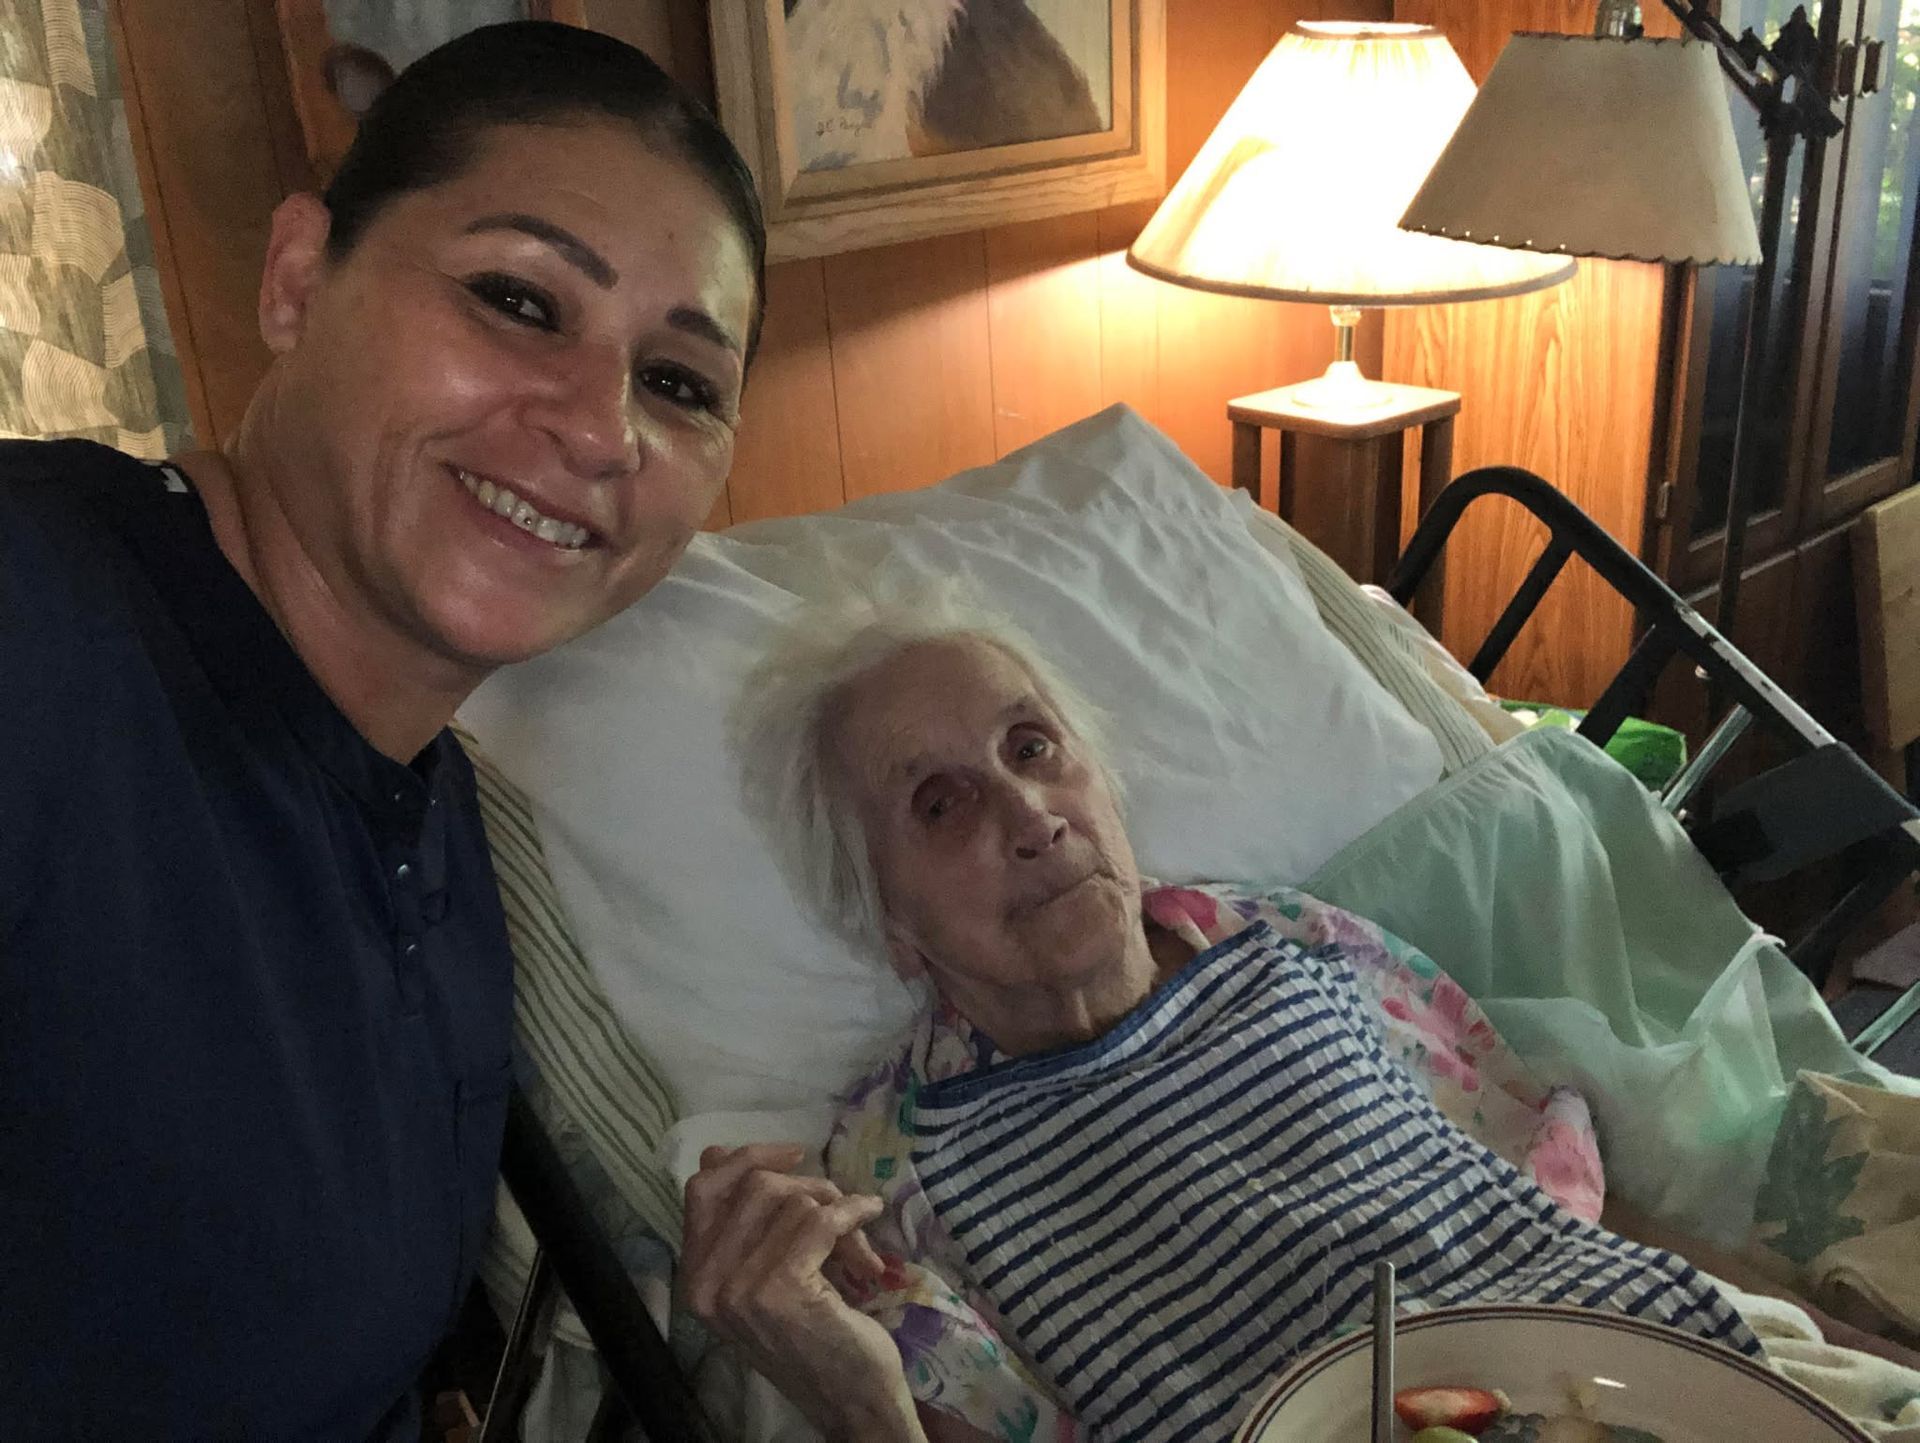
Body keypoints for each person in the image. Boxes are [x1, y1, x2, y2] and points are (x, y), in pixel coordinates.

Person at [0, 21, 763, 1438]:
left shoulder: (438, 828)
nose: (602, 431)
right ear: (300, 276)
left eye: (677, 383)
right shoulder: (38, 621)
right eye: (521, 301)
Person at [681, 595, 1762, 1442]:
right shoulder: (894, 1165)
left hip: (1637, 1375)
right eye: (939, 804)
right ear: (890, 923)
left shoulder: (1282, 936)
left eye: (1031, 747)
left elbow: (1523, 1178)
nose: (1031, 816)